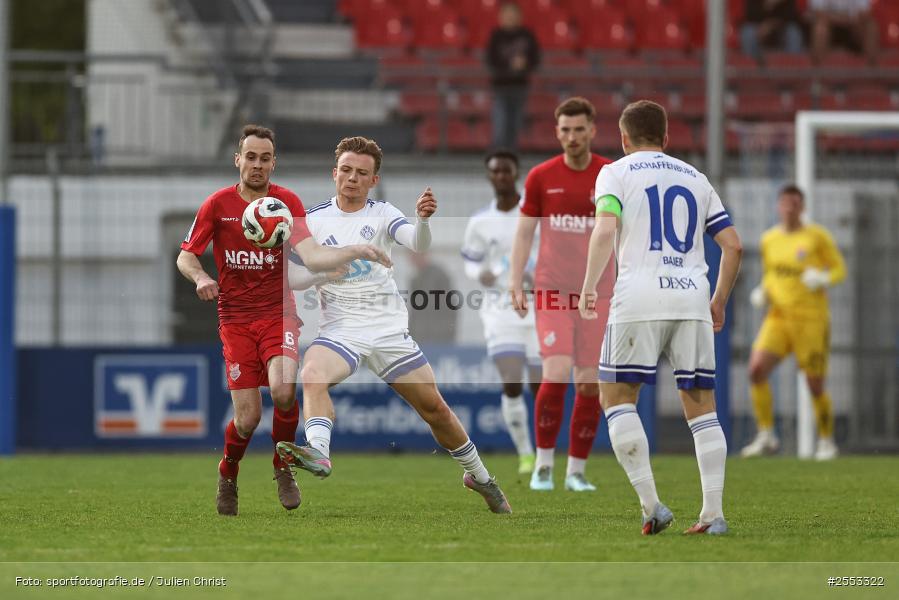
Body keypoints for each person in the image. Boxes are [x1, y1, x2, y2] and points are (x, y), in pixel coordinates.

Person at [281, 136, 512, 514]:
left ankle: (480, 477)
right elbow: (292, 277)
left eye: (362, 173)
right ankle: (319, 452)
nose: (352, 178)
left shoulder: (384, 214)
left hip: (387, 330)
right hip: (341, 330)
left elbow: (417, 243)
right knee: (312, 373)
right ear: (334, 173)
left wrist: (423, 221)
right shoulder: (314, 220)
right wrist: (322, 274)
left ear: (373, 180)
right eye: (346, 170)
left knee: (435, 409)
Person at [177, 124, 391, 516]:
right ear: (238, 160)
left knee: (283, 392)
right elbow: (186, 255)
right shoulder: (217, 205)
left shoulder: (287, 202)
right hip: (236, 320)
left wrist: (346, 254)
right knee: (247, 418)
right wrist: (202, 277)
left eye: (265, 158)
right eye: (251, 157)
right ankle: (228, 472)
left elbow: (309, 256)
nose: (257, 165)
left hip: (279, 314)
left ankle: (283, 467)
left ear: (274, 163)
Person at [579, 100, 743, 535]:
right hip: (692, 299)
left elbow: (606, 228)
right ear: (666, 138)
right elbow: (733, 245)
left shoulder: (614, 173)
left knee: (617, 398)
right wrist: (719, 300)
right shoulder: (696, 178)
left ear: (624, 139)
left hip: (638, 298)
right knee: (702, 407)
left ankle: (652, 506)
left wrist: (590, 285)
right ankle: (713, 514)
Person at [508, 97, 615, 492]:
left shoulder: (610, 175)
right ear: (557, 132)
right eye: (565, 130)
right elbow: (524, 232)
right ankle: (543, 466)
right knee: (555, 373)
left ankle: (576, 472)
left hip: (598, 293)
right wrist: (514, 281)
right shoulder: (541, 176)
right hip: (552, 289)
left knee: (588, 383)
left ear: (592, 131)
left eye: (579, 129)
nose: (572, 137)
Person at [741, 184, 846, 460]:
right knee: (756, 370)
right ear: (779, 206)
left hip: (811, 320)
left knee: (814, 384)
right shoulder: (769, 239)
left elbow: (840, 269)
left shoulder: (817, 237)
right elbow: (771, 274)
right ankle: (766, 435)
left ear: (802, 207)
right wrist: (763, 290)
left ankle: (826, 441)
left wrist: (823, 278)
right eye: (785, 203)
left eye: (795, 204)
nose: (789, 208)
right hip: (778, 317)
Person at [461, 149, 541, 476]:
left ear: (516, 173)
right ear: (489, 176)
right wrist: (480, 274)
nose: (501, 177)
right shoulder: (481, 221)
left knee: (541, 385)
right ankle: (526, 455)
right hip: (499, 309)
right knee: (511, 379)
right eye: (495, 171)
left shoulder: (535, 214)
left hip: (538, 308)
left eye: (506, 171)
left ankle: (545, 454)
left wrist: (539, 274)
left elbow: (552, 252)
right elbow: (470, 262)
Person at [486, 2, 540, 150]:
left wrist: (525, 64)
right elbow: (490, 60)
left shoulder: (527, 35)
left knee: (516, 125)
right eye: (507, 14)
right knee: (500, 124)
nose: (510, 17)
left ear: (519, 16)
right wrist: (510, 65)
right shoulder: (496, 35)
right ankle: (498, 154)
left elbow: (535, 59)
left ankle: (511, 155)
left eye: (513, 14)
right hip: (500, 87)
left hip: (520, 86)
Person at [407, 251, 456, 343]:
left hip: (439, 339)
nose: (415, 258)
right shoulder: (415, 280)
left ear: (425, 254)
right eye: (412, 255)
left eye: (418, 254)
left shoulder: (439, 276)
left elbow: (450, 308)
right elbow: (415, 312)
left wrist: (447, 335)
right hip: (419, 338)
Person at [810, 0, 878, 64]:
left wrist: (849, 20)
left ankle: (872, 67)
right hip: (831, 26)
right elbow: (818, 13)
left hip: (853, 26)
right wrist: (843, 19)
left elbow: (865, 13)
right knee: (820, 27)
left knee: (870, 26)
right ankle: (817, 68)